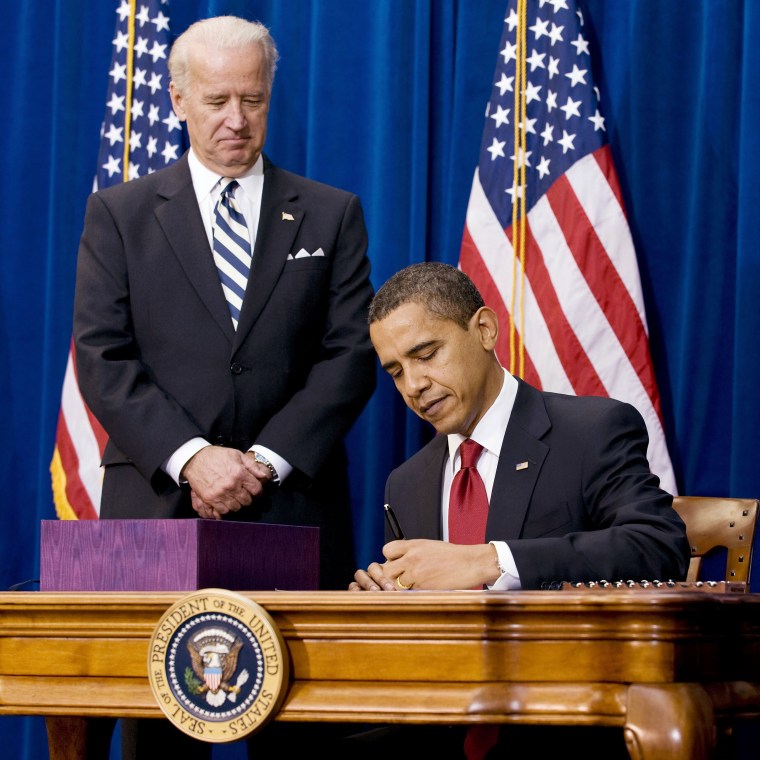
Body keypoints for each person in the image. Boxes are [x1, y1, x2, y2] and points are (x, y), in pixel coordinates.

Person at [72, 15, 375, 760]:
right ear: (177, 98)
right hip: (155, 507)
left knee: (303, 733)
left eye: (253, 99)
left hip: (292, 503)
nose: (237, 120)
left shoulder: (333, 213)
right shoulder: (119, 214)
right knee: (156, 737)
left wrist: (263, 460)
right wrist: (193, 456)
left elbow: (351, 358)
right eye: (216, 101)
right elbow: (103, 357)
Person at [344, 261, 689, 757]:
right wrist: (386, 600)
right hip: (442, 719)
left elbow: (658, 545)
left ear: (484, 329)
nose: (413, 385)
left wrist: (488, 561)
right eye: (396, 371)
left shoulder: (591, 431)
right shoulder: (407, 482)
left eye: (427, 354)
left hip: (564, 718)